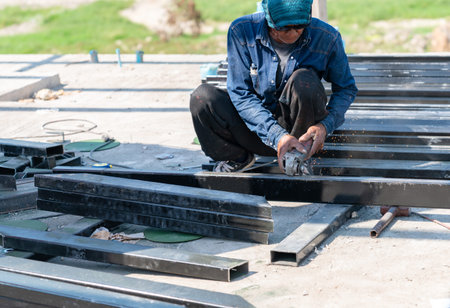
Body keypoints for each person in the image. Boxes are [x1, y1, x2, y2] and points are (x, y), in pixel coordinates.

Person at [190, 0, 357, 173]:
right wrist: (277, 136)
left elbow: (346, 89)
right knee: (202, 97)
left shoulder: (326, 37)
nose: (292, 34)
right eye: (283, 29)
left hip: (300, 132)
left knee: (304, 79)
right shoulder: (241, 31)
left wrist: (325, 126)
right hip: (255, 127)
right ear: (268, 20)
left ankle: (297, 156)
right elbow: (240, 93)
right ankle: (238, 157)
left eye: (299, 27)